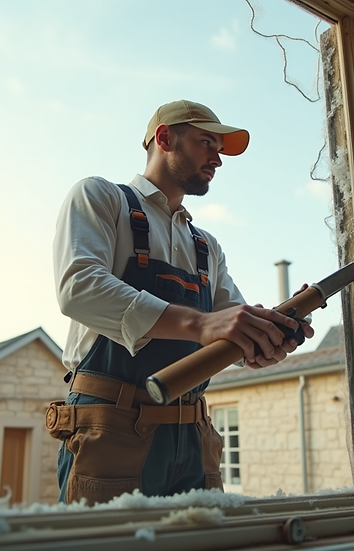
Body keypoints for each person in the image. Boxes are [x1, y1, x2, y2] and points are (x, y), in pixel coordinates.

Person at [49, 99, 314, 505]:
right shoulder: (101, 198)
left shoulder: (206, 246)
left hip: (194, 439)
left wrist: (265, 339)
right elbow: (80, 287)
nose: (218, 160)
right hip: (111, 429)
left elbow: (231, 339)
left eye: (219, 149)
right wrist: (200, 324)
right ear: (164, 137)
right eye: (207, 142)